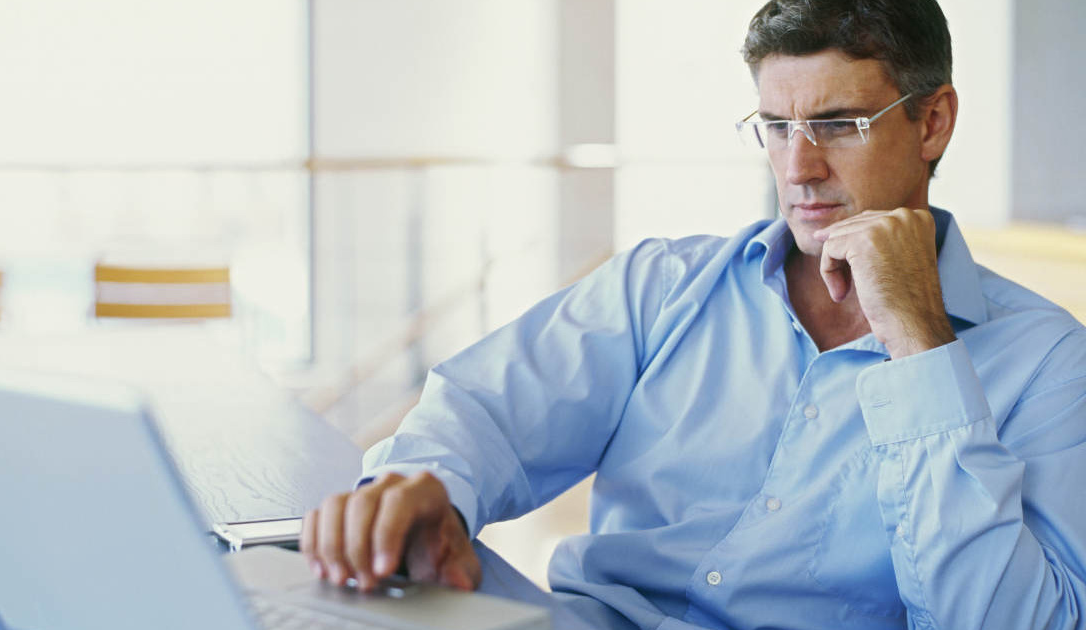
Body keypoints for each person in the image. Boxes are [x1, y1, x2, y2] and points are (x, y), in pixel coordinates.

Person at [302, 0, 1086, 628]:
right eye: (776, 127)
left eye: (838, 124)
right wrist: (428, 486)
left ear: (933, 122)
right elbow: (488, 410)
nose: (797, 167)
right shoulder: (663, 284)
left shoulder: (1048, 363)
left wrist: (920, 346)